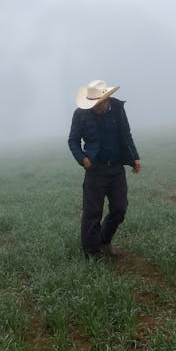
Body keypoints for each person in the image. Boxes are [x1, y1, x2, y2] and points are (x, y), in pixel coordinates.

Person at [68, 79, 141, 261]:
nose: (95, 106)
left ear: (106, 99)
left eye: (98, 102)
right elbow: (73, 141)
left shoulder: (117, 109)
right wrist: (83, 159)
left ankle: (104, 240)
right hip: (95, 170)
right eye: (92, 103)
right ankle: (92, 253)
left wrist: (135, 157)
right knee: (92, 213)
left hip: (116, 169)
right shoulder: (80, 114)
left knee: (120, 208)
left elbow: (126, 134)